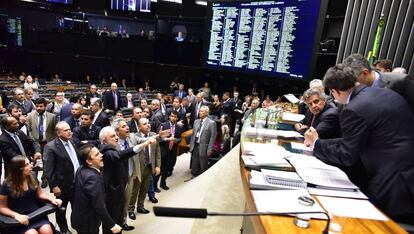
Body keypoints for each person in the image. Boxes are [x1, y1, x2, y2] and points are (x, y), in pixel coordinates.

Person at [304, 64, 414, 224]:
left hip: (393, 180)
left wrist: (316, 144)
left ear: (335, 91)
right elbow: (355, 139)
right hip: (406, 169)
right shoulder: (385, 93)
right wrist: (320, 143)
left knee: (373, 225)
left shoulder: (354, 108)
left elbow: (347, 155)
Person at [99, 126, 155, 233]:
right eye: (112, 136)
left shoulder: (113, 148)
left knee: (118, 222)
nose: (116, 138)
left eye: (116, 135)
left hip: (119, 190)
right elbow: (120, 156)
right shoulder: (107, 151)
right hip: (112, 195)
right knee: (112, 224)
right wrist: (144, 144)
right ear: (105, 140)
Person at [0, 156, 62, 234]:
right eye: (27, 164)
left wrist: (52, 199)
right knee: (32, 233)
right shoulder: (7, 184)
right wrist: (16, 215)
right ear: (19, 169)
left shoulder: (33, 175)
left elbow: (40, 194)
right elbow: (2, 207)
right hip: (18, 218)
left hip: (35, 213)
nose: (31, 166)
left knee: (47, 231)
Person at [71, 144, 122, 234]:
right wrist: (112, 225)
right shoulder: (93, 178)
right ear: (89, 161)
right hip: (88, 223)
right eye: (97, 154)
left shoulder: (80, 169)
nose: (101, 155)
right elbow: (99, 205)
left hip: (79, 218)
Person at [43, 121, 81, 234]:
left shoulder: (73, 142)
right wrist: (54, 186)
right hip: (62, 185)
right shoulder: (51, 147)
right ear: (58, 133)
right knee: (61, 209)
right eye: (66, 130)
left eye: (69, 129)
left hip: (77, 182)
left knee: (78, 207)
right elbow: (48, 169)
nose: (69, 132)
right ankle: (64, 230)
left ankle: (77, 225)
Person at [343, 53, 414, 112]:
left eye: (353, 79)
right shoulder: (354, 92)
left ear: (365, 73)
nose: (352, 83)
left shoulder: (400, 81)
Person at [189, 106, 217, 177]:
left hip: (205, 147)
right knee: (194, 164)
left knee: (203, 166)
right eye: (199, 111)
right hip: (195, 146)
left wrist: (209, 149)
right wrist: (191, 145)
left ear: (206, 113)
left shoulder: (211, 123)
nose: (199, 112)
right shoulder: (196, 121)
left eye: (202, 111)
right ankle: (194, 177)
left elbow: (212, 138)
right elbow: (193, 135)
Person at [158, 111, 182, 190]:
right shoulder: (163, 125)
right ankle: (154, 186)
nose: (173, 118)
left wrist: (176, 140)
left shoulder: (178, 127)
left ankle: (163, 183)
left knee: (167, 168)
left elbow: (180, 138)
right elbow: (159, 138)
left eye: (175, 117)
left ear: (177, 118)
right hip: (163, 150)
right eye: (172, 116)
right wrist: (167, 139)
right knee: (160, 168)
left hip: (172, 151)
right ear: (169, 117)